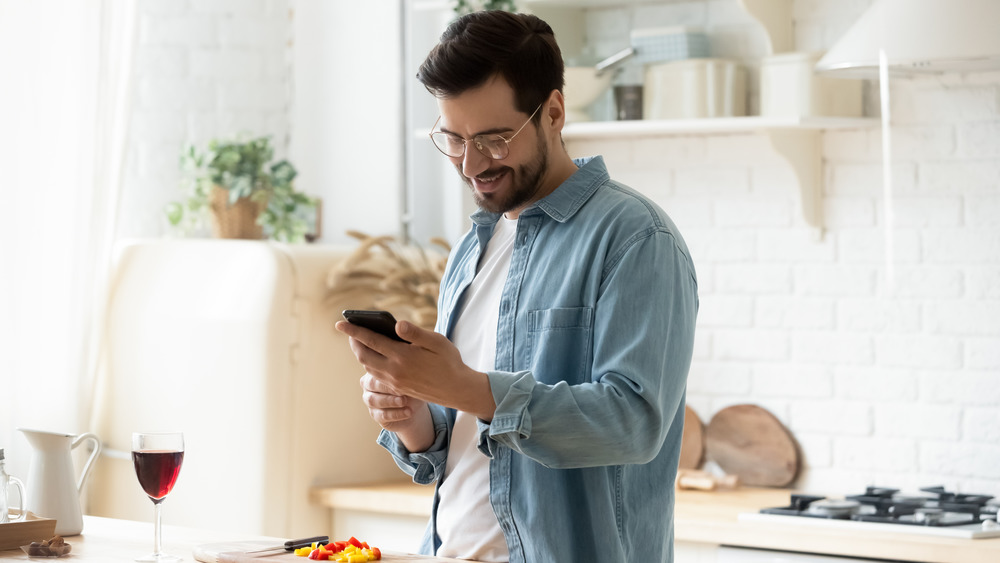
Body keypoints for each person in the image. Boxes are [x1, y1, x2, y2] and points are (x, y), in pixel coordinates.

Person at [335, 10, 698, 563]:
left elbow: (633, 422)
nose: (471, 164)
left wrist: (466, 389)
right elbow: (468, 446)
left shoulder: (635, 238)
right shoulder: (471, 249)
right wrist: (414, 419)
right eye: (453, 139)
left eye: (494, 138)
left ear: (553, 111)